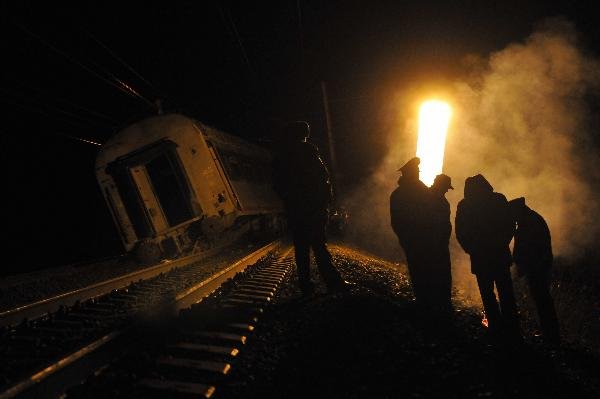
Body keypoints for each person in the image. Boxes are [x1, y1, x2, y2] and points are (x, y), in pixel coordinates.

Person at [271, 121, 346, 295]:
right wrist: (326, 202)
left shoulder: (282, 156)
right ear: (304, 135)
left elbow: (277, 184)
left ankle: (306, 285)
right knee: (319, 247)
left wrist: (289, 201)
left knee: (301, 249)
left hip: (295, 210)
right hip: (314, 209)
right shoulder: (310, 153)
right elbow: (323, 180)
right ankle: (333, 283)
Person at [455, 174, 520, 339]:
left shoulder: (465, 205)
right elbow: (510, 225)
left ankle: (495, 325)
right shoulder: (498, 200)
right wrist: (502, 242)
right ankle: (512, 327)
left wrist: (471, 249)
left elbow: (461, 232)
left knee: (487, 292)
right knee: (506, 291)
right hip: (499, 255)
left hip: (480, 257)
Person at [509, 197, 560, 344]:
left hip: (537, 268)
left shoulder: (529, 224)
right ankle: (549, 334)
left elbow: (527, 249)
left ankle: (551, 337)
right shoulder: (531, 220)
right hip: (537, 267)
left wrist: (522, 266)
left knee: (542, 301)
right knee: (542, 300)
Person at [390, 157, 431, 307]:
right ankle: (426, 301)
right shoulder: (424, 193)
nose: (418, 173)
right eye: (416, 171)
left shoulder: (397, 195)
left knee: (416, 269)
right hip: (423, 240)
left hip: (413, 241)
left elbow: (396, 223)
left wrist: (405, 239)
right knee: (425, 269)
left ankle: (422, 299)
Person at [428, 174, 454, 310]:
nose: (446, 191)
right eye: (446, 188)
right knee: (439, 275)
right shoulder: (436, 200)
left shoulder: (426, 196)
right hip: (434, 244)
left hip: (436, 244)